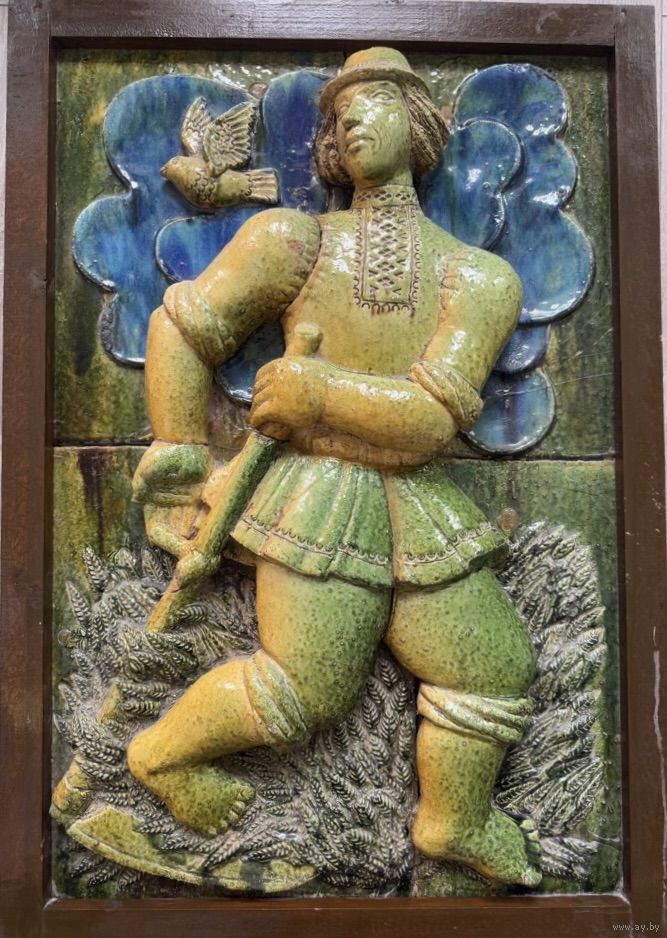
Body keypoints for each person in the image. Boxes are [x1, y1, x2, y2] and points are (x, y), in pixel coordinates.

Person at [126, 47, 540, 887]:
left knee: (492, 666)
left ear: (419, 125)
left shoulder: (477, 278)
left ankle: (453, 820)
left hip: (414, 498)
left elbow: (427, 422)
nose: (349, 120)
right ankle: (161, 758)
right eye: (335, 114)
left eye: (374, 102)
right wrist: (178, 451)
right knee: (303, 691)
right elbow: (182, 330)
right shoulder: (296, 241)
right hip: (318, 495)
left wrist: (318, 392)